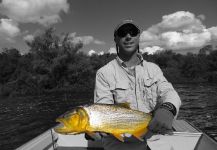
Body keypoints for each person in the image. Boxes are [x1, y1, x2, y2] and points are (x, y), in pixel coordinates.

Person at [93, 20, 182, 150]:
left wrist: (168, 109)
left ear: (139, 37)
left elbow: (169, 92)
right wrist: (96, 127)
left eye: (133, 32)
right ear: (116, 39)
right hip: (120, 145)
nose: (128, 36)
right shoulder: (103, 73)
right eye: (122, 33)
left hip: (155, 139)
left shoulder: (153, 69)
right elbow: (103, 109)